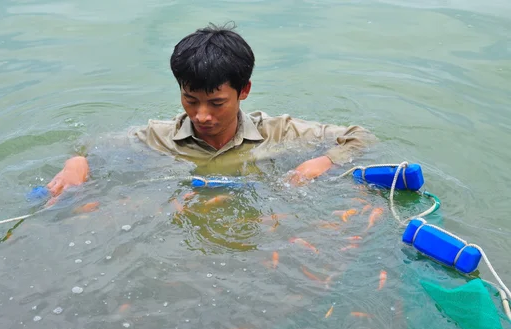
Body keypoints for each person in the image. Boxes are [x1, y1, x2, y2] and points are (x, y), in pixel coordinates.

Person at [46, 22, 377, 198]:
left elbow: (361, 137)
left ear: (243, 91)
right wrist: (77, 161)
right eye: (190, 100)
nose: (201, 115)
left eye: (216, 103)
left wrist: (323, 161)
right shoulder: (156, 137)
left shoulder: (279, 132)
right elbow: (92, 145)